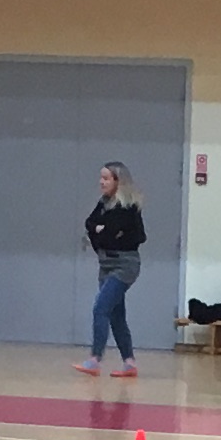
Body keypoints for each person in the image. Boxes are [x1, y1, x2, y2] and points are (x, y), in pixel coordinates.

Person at [81, 160, 144, 375]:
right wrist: (99, 230)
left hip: (124, 265)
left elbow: (112, 232)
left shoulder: (127, 207)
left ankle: (95, 359)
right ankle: (129, 362)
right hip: (106, 263)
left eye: (106, 178)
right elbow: (90, 224)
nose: (101, 182)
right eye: (101, 178)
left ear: (118, 181)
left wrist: (102, 231)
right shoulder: (103, 203)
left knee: (101, 308)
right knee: (117, 314)